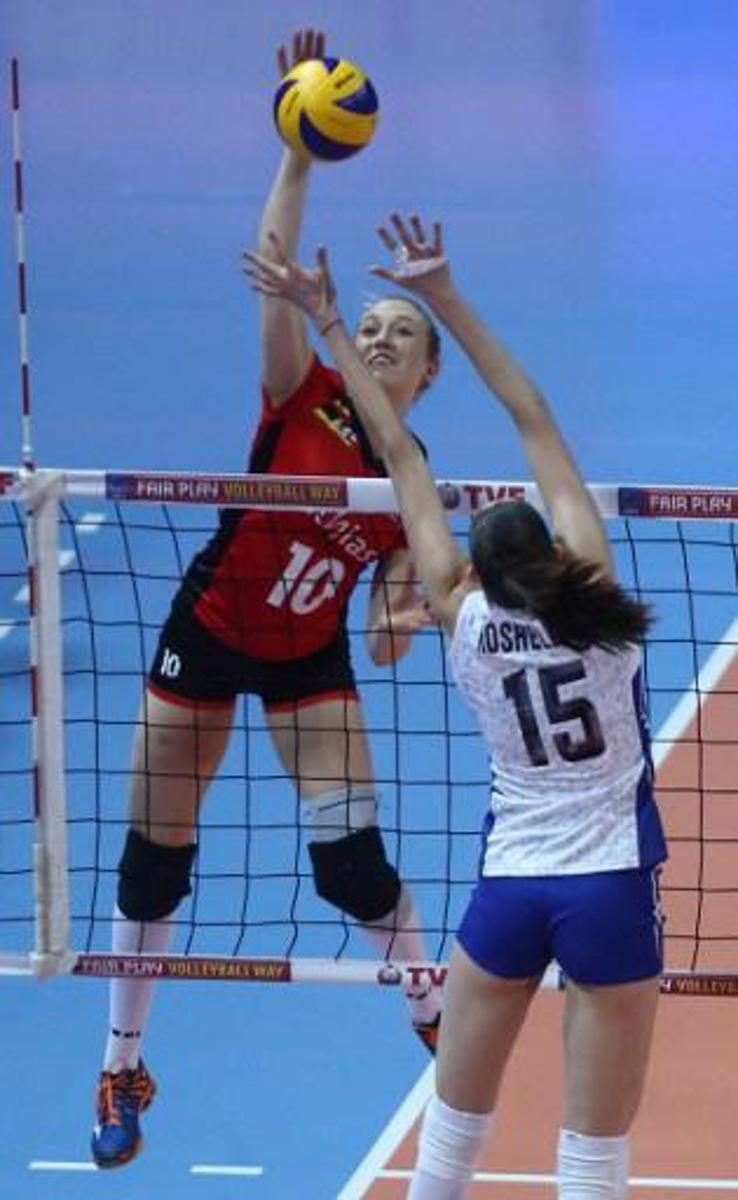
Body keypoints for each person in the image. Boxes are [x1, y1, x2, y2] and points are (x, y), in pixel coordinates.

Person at [245, 213, 667, 1199]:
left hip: (508, 890)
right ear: (558, 555)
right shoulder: (604, 613)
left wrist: (331, 325)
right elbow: (535, 419)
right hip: (608, 886)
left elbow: (398, 454)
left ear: (474, 571)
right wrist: (445, 297)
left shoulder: (459, 619)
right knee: (592, 1158)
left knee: (448, 1147)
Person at [90, 31, 444, 1171]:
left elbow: (388, 626)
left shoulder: (414, 480)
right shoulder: (305, 391)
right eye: (372, 325)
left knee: (352, 869)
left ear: (426, 375)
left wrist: (403, 618)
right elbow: (275, 264)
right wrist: (296, 150)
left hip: (308, 661)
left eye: (401, 334)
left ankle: (429, 1000)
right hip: (208, 631)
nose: (380, 337)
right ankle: (122, 1063)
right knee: (155, 861)